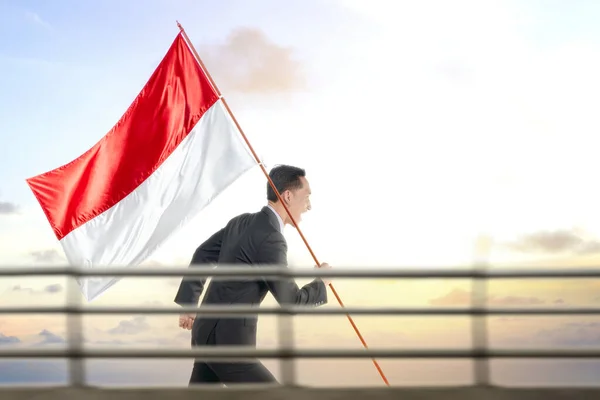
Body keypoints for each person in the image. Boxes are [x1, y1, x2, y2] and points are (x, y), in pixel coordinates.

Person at [174, 164, 332, 385]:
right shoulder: (271, 238)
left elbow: (202, 254)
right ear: (287, 196)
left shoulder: (241, 222)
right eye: (306, 197)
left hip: (205, 334)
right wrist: (321, 283)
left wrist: (189, 304)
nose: (309, 206)